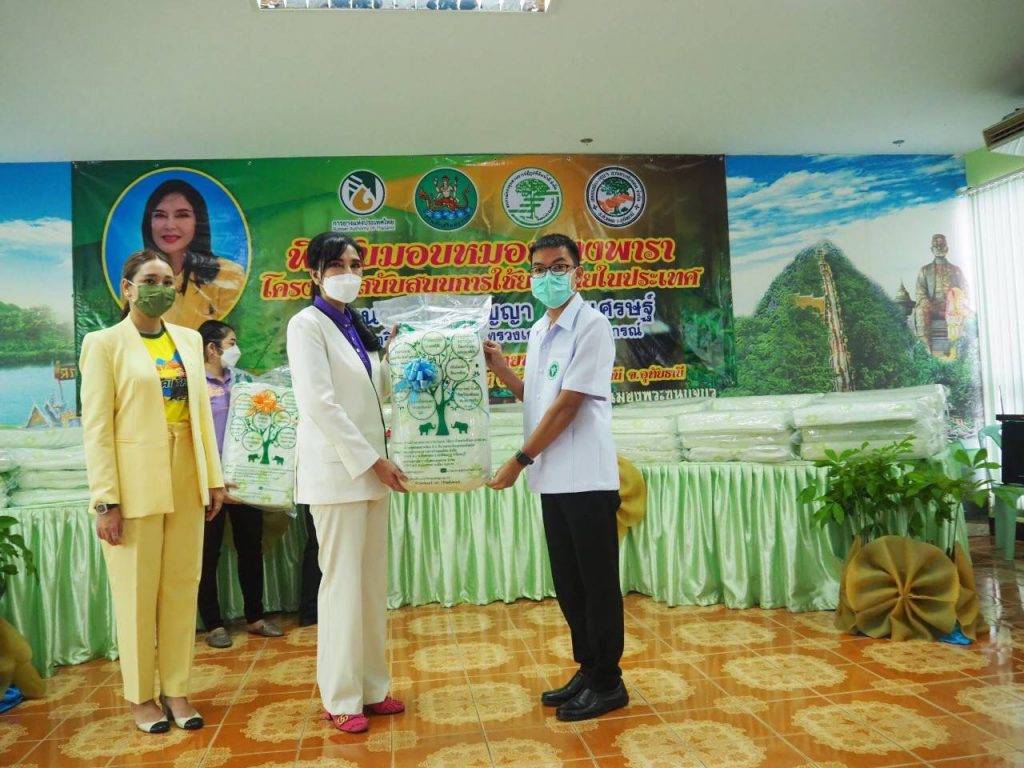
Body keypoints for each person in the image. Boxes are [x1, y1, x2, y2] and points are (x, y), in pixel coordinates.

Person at [80, 249, 226, 734]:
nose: (160, 288)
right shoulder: (103, 344)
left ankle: (177, 690)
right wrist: (106, 500)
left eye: (167, 280)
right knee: (137, 595)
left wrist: (213, 478)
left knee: (182, 587)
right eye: (149, 280)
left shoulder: (188, 339)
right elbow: (97, 428)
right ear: (127, 288)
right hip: (134, 484)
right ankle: (141, 697)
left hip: (187, 476)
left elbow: (201, 416)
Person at [484, 232, 626, 722]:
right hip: (552, 479)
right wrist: (502, 369)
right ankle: (588, 668)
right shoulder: (540, 330)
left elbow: (568, 405)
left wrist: (519, 459)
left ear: (578, 273)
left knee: (598, 584)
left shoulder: (593, 326)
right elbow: (540, 399)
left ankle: (609, 682)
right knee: (569, 583)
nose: (548, 276)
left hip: (586, 478)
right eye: (540, 269)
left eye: (559, 266)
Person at [286, 232, 407, 734]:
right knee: (341, 587)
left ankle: (373, 688)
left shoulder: (356, 326)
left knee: (371, 586)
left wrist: (397, 354)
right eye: (336, 265)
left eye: (355, 264)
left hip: (374, 473)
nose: (348, 273)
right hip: (338, 475)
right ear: (314, 273)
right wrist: (372, 461)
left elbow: (376, 395)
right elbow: (320, 403)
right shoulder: (306, 324)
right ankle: (340, 696)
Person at [196, 320, 285, 648]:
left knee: (251, 548)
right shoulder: (194, 384)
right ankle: (214, 625)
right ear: (212, 348)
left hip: (245, 481)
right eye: (231, 343)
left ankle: (255, 617)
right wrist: (210, 479)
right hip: (210, 483)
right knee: (207, 554)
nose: (237, 349)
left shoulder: (243, 381)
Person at [141, 179, 246, 329]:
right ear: (148, 223)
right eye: (160, 215)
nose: (170, 225)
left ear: (198, 221)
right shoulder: (137, 275)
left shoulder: (228, 274)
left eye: (182, 215)